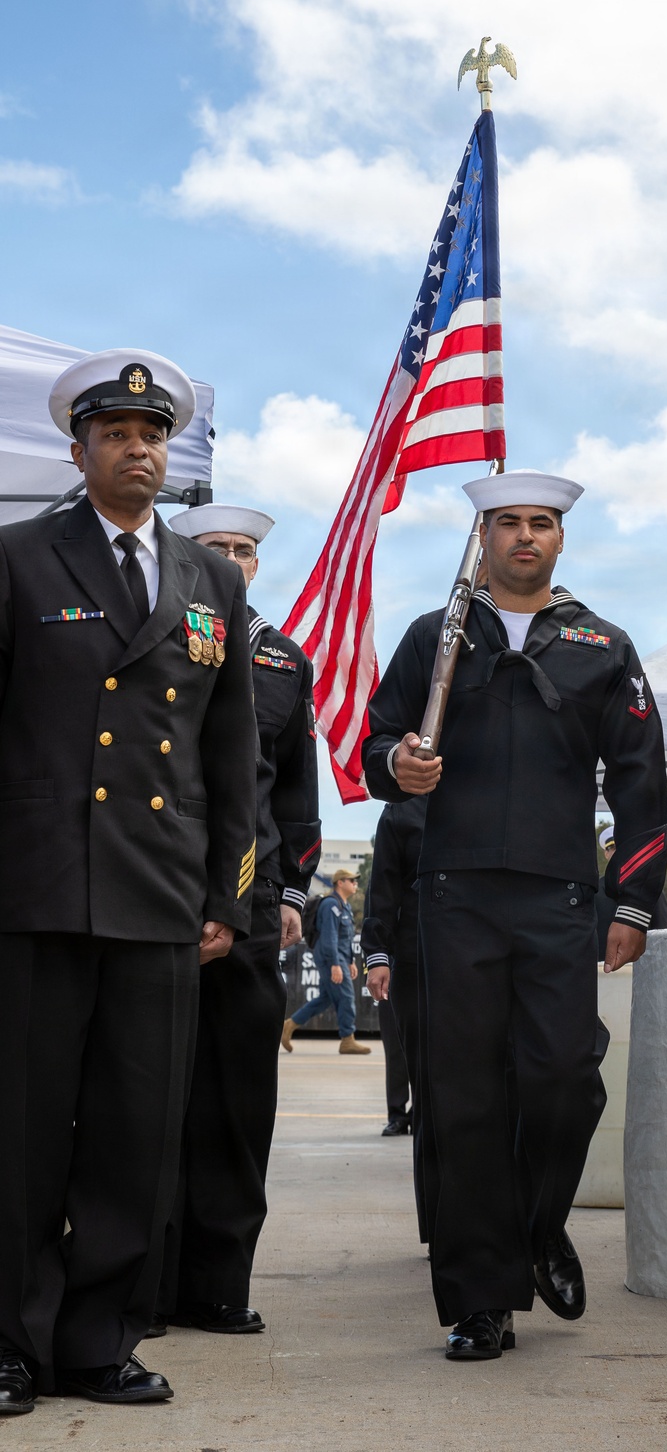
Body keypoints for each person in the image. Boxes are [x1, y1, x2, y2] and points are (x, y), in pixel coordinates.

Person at [362, 468, 667, 1362]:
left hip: (562, 898)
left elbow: (644, 785)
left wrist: (636, 901)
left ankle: (540, 1226)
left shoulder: (602, 643)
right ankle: (480, 1301)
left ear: (560, 539)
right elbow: (378, 740)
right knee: (461, 1100)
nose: (524, 537)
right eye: (507, 524)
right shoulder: (437, 636)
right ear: (483, 537)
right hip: (454, 896)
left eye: (540, 523)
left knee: (565, 1076)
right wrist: (399, 767)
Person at [0, 352, 257, 1415]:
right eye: (115, 433)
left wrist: (223, 895)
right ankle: (13, 1342)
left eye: (151, 435)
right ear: (79, 450)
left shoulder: (211, 581)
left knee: (133, 1133)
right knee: (20, 1130)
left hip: (158, 896)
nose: (136, 449)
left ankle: (100, 1341)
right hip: (35, 890)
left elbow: (231, 752)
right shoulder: (17, 557)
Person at [154, 503, 322, 1337]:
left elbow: (295, 793)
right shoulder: (155, 633)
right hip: (154, 890)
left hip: (250, 905)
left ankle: (219, 1283)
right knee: (145, 1097)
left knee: (236, 1101)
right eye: (214, 547)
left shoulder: (284, 659)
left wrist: (293, 892)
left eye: (244, 549)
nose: (231, 558)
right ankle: (141, 1284)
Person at [363, 797, 426, 1144]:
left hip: (467, 953)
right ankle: (397, 1112)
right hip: (408, 953)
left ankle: (423, 1112)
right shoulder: (402, 809)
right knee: (401, 1044)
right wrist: (378, 954)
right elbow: (382, 886)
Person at [282, 872, 370, 1054]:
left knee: (325, 998)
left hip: (339, 958)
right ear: (340, 883)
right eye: (352, 880)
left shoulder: (344, 906)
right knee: (346, 997)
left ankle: (289, 1025)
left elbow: (345, 938)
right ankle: (348, 1039)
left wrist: (350, 961)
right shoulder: (331, 905)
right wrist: (335, 964)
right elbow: (329, 937)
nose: (355, 884)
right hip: (331, 958)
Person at [596, 823, 667, 947]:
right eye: (614, 847)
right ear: (606, 853)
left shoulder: (651, 888)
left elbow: (663, 932)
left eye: (623, 847)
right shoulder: (594, 891)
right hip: (602, 964)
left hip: (643, 964)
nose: (619, 852)